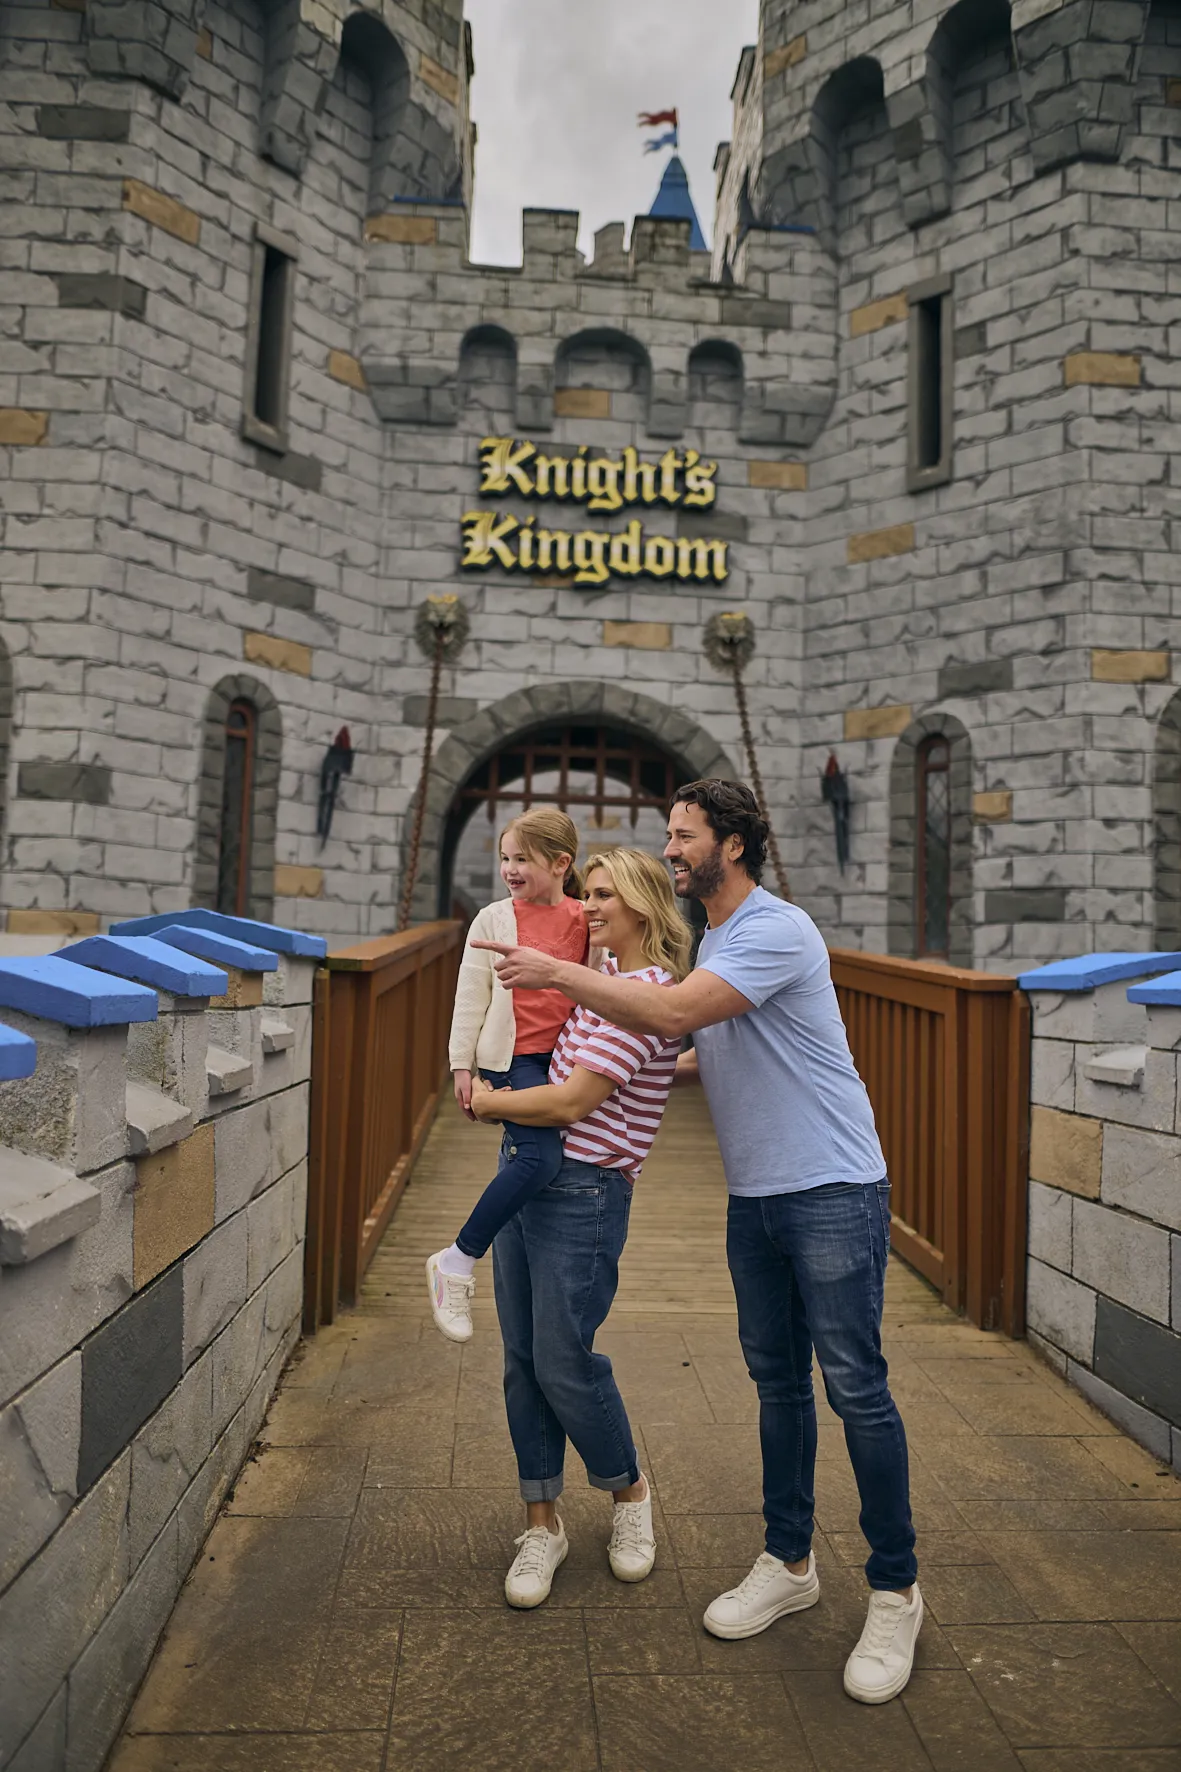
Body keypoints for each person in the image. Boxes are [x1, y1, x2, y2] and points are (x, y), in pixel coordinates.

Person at [474, 779, 923, 1705]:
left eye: (683, 836)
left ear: (734, 844)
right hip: (753, 1194)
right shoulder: (715, 942)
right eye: (670, 836)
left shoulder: (776, 929)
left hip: (831, 1188)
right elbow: (690, 1045)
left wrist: (554, 972)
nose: (670, 849)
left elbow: (675, 1015)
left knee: (855, 1390)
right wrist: (631, 1070)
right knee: (775, 1386)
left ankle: (894, 1590)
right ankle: (788, 1564)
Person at [467, 847, 690, 1608]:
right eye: (585, 893)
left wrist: (486, 1103)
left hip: (584, 1192)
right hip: (527, 1176)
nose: (587, 907)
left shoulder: (646, 994)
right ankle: (542, 1523)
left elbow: (570, 1102)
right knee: (522, 1360)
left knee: (564, 1361)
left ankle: (629, 1494)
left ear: (644, 905)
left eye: (603, 896)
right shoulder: (600, 982)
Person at [428, 808, 597, 1342]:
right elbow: (470, 995)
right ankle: (456, 1260)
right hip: (513, 1059)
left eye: (522, 859)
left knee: (543, 1156)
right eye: (505, 858)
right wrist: (461, 1066)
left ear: (561, 863)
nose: (510, 869)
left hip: (567, 1056)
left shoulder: (585, 918)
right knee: (540, 1157)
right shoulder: (493, 918)